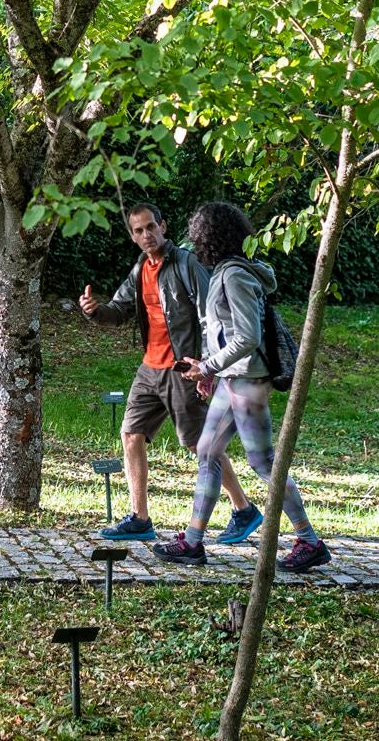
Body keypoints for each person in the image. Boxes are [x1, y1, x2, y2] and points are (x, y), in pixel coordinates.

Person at [153, 200, 331, 573]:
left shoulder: (234, 275)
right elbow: (226, 332)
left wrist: (208, 366)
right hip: (233, 378)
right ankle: (192, 542)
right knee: (207, 451)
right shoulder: (228, 271)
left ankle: (309, 541)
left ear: (208, 237)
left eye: (197, 234)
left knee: (264, 463)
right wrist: (213, 374)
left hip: (248, 380)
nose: (193, 241)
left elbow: (247, 337)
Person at [79, 203, 263, 544]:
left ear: (163, 226)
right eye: (138, 231)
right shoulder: (140, 269)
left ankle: (244, 509)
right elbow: (119, 310)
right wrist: (95, 312)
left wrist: (207, 367)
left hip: (183, 368)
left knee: (199, 444)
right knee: (131, 434)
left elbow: (212, 315)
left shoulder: (186, 263)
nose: (146, 235)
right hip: (150, 369)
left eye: (151, 227)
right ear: (133, 237)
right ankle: (139, 518)